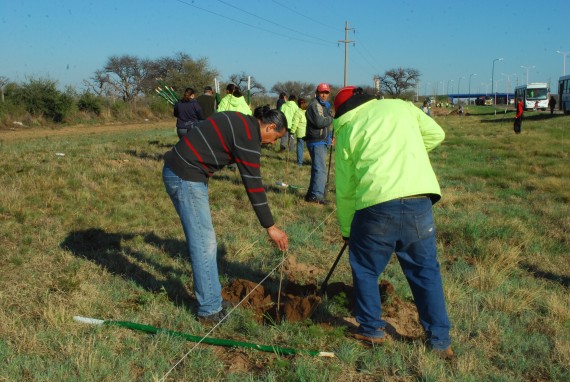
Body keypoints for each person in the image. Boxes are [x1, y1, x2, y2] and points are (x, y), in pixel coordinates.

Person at [332, 86, 453, 359]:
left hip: (375, 206)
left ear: (343, 111)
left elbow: (345, 187)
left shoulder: (348, 129)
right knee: (425, 272)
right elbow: (437, 134)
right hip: (419, 199)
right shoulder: (402, 106)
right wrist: (406, 154)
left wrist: (347, 230)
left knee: (364, 268)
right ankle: (440, 341)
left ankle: (372, 329)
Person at [162, 106, 289, 323]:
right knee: (204, 243)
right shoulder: (248, 137)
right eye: (275, 137)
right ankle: (209, 311)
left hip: (186, 173)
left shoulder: (241, 121)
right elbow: (254, 184)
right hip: (185, 175)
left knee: (206, 241)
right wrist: (271, 227)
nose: (272, 143)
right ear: (269, 127)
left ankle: (212, 298)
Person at [304, 83, 334, 204]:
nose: (324, 95)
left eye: (326, 92)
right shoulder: (314, 105)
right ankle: (317, 196)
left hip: (322, 141)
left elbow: (326, 126)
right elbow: (320, 122)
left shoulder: (325, 106)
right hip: (316, 141)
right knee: (320, 169)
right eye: (322, 92)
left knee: (317, 168)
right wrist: (332, 117)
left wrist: (330, 137)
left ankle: (311, 194)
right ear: (317, 92)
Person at [291, 98, 307, 166]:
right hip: (308, 132)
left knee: (300, 147)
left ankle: (299, 163)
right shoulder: (307, 111)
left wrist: (292, 132)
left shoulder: (297, 112)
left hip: (300, 133)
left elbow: (295, 123)